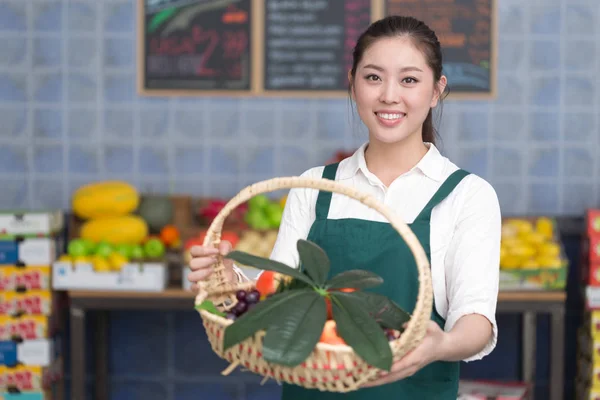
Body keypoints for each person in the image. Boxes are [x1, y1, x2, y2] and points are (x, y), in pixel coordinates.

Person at [188, 15, 501, 400]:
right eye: (373, 77)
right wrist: (226, 275)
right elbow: (278, 297)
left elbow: (476, 320)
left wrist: (440, 345)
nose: (389, 95)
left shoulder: (467, 194)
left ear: (436, 91)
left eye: (409, 80)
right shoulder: (314, 187)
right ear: (353, 83)